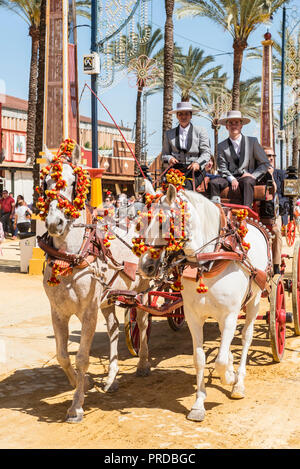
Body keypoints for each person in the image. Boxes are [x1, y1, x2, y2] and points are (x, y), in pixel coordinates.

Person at [209, 110, 270, 207]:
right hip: (229, 177)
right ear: (226, 126)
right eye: (231, 123)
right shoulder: (221, 146)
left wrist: (252, 176)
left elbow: (265, 163)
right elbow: (222, 167)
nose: (234, 126)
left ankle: (246, 213)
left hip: (247, 178)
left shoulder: (252, 142)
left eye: (236, 123)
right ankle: (216, 211)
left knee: (247, 182)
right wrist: (232, 179)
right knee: (213, 183)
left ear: (241, 125)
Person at [162, 101, 211, 191]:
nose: (183, 117)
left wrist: (197, 163)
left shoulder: (201, 131)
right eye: (180, 114)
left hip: (195, 171)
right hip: (176, 171)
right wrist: (170, 159)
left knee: (185, 188)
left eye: (186, 114)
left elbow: (206, 153)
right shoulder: (169, 134)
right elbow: (165, 154)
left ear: (191, 115)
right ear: (177, 116)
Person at [262, 147, 288, 275]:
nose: (271, 158)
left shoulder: (281, 174)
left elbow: (286, 197)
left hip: (277, 212)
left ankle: (276, 266)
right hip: (260, 212)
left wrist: (277, 203)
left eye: (272, 156)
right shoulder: (257, 173)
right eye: (267, 156)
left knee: (276, 232)